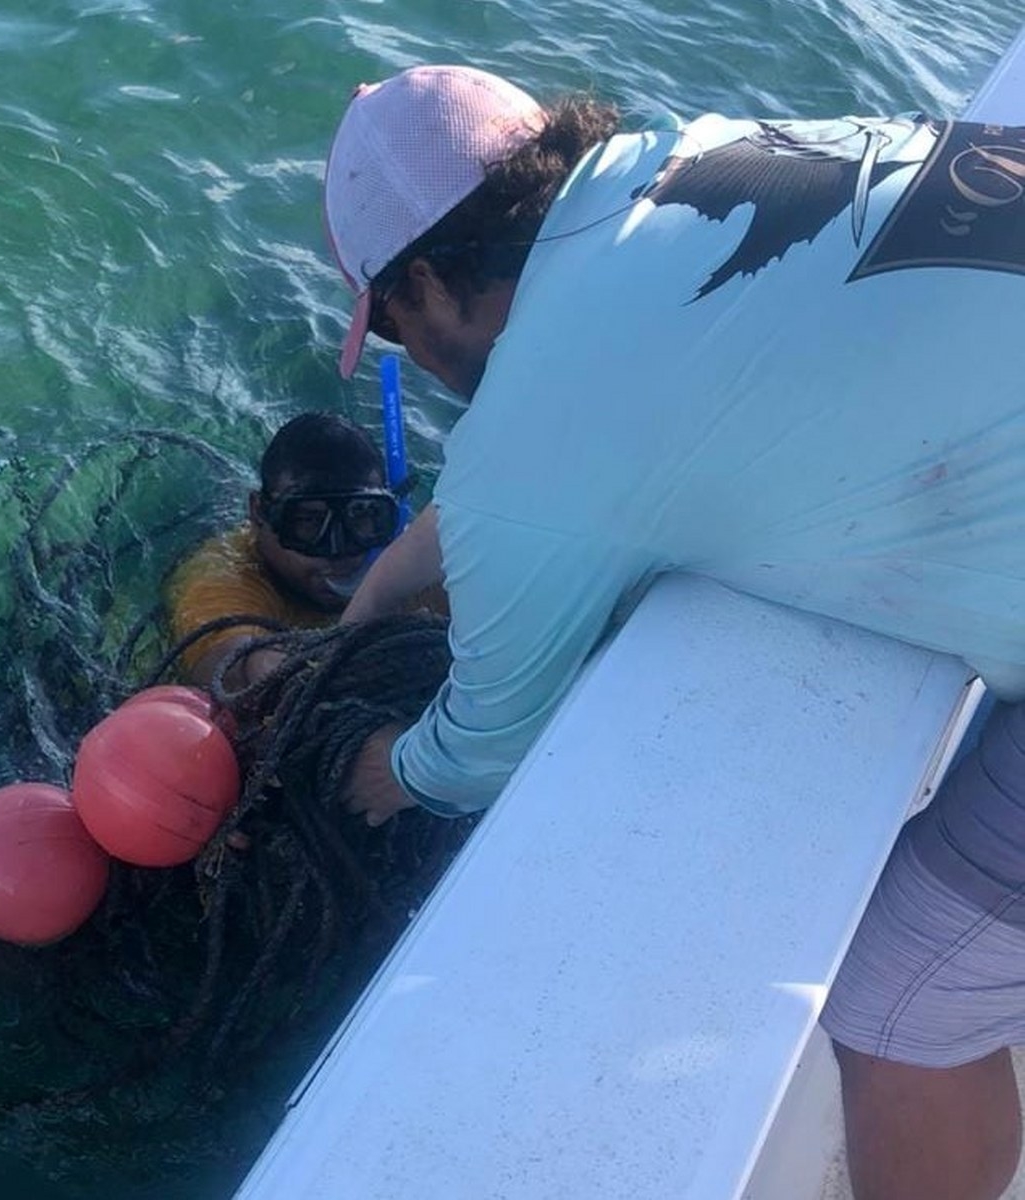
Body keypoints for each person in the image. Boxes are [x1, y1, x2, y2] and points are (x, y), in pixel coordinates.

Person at [320, 64, 1025, 1200]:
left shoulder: (534, 428)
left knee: (904, 998)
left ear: (429, 284)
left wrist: (387, 770)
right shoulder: (684, 162)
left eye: (392, 330)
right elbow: (574, 440)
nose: (413, 359)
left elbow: (484, 749)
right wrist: (372, 598)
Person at [166, 411, 407, 691]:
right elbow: (232, 665)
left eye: (361, 514)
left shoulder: (407, 562)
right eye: (308, 520)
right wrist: (265, 667)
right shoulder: (222, 572)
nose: (338, 551)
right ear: (259, 512)